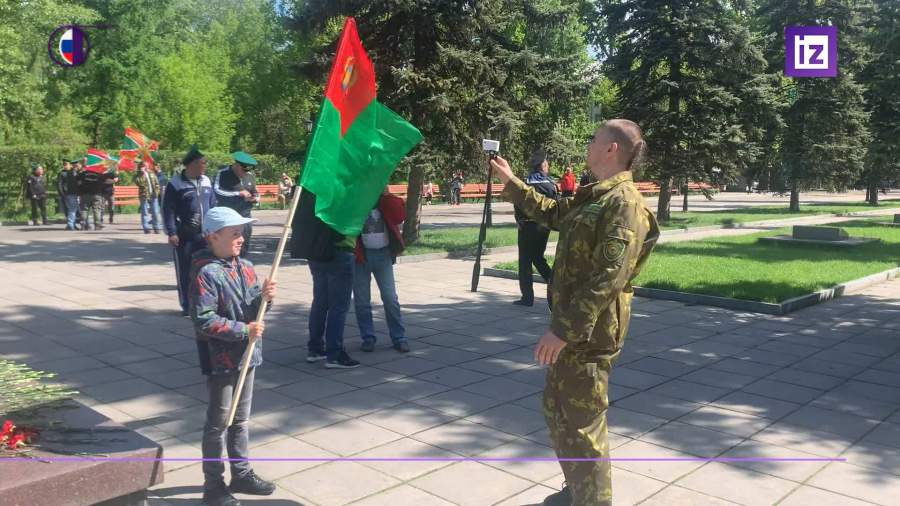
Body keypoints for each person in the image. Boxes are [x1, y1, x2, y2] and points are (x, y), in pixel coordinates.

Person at [490, 119, 660, 506]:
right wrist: (512, 181)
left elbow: (607, 278)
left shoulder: (623, 203)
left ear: (612, 149)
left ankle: (593, 501)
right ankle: (578, 491)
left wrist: (563, 331)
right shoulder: (595, 196)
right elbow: (553, 213)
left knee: (583, 424)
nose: (588, 144)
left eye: (594, 139)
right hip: (572, 330)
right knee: (558, 412)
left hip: (590, 334)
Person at [190, 206, 277, 506]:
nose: (241, 238)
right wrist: (244, 330)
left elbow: (255, 310)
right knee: (219, 422)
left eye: (242, 233)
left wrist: (264, 299)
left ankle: (241, 473)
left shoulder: (246, 266)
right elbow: (203, 318)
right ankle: (213, 485)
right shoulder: (205, 272)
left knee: (241, 420)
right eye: (234, 233)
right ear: (213, 236)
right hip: (221, 358)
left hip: (248, 355)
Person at [291, 190, 361, 369]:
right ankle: (335, 354)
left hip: (316, 251)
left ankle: (315, 349)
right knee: (338, 306)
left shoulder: (312, 187)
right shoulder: (339, 189)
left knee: (320, 301)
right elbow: (343, 223)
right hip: (339, 250)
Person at [353, 187, 410, 353]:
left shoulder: (385, 201)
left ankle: (399, 337)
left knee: (390, 298)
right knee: (362, 301)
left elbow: (400, 217)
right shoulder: (357, 200)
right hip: (361, 257)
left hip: (383, 255)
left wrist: (387, 194)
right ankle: (368, 337)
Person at [163, 144, 217, 316]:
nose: (205, 166)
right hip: (185, 236)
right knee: (185, 271)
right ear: (192, 165)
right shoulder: (176, 183)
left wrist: (216, 228)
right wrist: (172, 232)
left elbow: (214, 205)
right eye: (202, 163)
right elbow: (168, 209)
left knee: (206, 271)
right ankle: (186, 305)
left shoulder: (207, 180)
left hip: (206, 235)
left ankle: (205, 304)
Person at [513, 151, 557, 307]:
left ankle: (527, 298)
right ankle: (555, 285)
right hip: (543, 227)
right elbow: (555, 205)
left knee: (525, 261)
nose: (548, 166)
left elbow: (518, 201)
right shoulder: (550, 184)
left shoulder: (526, 182)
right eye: (546, 163)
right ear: (541, 166)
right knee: (538, 257)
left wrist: (518, 218)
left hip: (526, 225)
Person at [213, 151, 259, 257]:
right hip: (228, 217)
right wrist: (238, 193)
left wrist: (256, 197)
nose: (245, 173)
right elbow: (217, 191)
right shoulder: (223, 173)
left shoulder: (249, 175)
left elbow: (254, 191)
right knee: (228, 248)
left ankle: (241, 268)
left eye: (247, 170)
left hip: (245, 216)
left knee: (243, 247)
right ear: (237, 165)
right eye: (243, 170)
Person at [76, 163, 107, 231]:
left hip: (85, 194)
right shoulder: (99, 174)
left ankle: (83, 225)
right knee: (97, 210)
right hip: (97, 194)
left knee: (84, 210)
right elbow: (104, 182)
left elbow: (77, 181)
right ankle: (97, 225)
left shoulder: (83, 174)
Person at [135, 160, 161, 234]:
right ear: (140, 166)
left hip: (153, 195)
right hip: (144, 195)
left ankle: (156, 227)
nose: (146, 167)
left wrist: (157, 191)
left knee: (155, 212)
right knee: (145, 212)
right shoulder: (138, 175)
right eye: (144, 165)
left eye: (146, 165)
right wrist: (141, 174)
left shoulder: (152, 173)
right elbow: (139, 183)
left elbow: (157, 183)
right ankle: (146, 228)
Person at [57, 159, 80, 230]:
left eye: (66, 164)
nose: (65, 166)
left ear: (70, 165)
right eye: (64, 164)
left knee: (73, 209)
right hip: (67, 193)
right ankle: (71, 224)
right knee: (70, 209)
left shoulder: (74, 172)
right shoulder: (62, 173)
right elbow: (59, 184)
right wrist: (61, 193)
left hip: (72, 193)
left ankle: (72, 224)